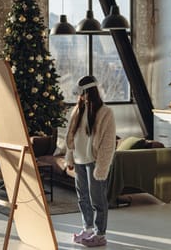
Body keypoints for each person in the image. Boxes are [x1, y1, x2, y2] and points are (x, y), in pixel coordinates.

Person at [65, 75, 116, 247]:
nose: (80, 96)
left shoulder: (105, 113)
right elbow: (72, 137)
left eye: (83, 93)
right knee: (83, 198)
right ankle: (87, 229)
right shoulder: (77, 111)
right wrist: (70, 157)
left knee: (98, 200)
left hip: (94, 162)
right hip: (79, 160)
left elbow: (108, 143)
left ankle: (100, 235)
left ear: (90, 92)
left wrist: (101, 167)